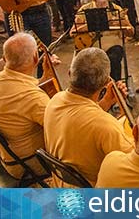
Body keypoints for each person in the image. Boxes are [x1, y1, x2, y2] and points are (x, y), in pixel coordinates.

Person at [44, 48, 134, 187]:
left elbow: (82, 119)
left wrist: (106, 102)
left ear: (70, 74)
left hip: (62, 185)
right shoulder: (105, 125)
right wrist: (123, 112)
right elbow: (133, 166)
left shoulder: (54, 100)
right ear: (105, 82)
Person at [0, 33, 54, 179]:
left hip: (9, 156)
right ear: (35, 58)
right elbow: (62, 128)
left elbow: (23, 93)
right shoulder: (32, 98)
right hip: (30, 164)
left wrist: (46, 77)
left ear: (4, 58)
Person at [73, 0, 134, 81]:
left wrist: (123, 23)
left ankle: (115, 86)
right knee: (89, 62)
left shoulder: (116, 9)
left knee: (114, 58)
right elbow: (72, 32)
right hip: (92, 45)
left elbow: (131, 33)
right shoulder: (85, 9)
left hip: (113, 44)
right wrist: (87, 27)